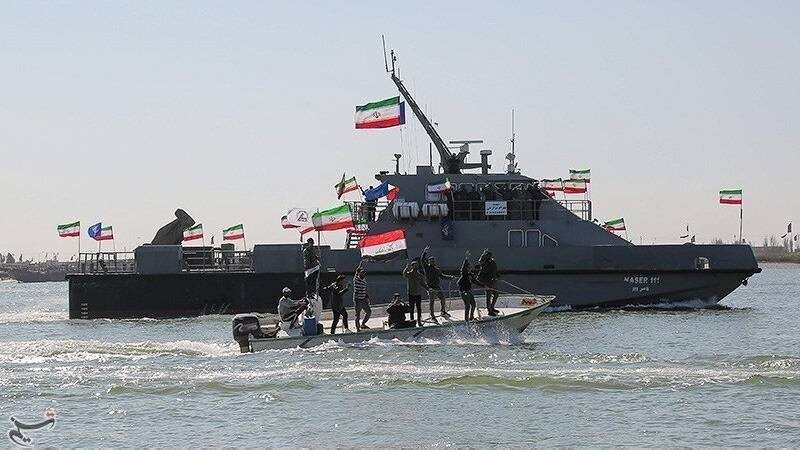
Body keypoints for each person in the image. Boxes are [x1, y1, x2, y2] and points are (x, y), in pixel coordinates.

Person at [420, 247, 453, 321]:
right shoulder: (427, 268)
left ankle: (443, 311)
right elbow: (422, 260)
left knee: (443, 298)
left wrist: (450, 277)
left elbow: (442, 276)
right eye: (431, 261)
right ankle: (432, 316)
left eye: (433, 261)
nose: (433, 262)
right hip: (431, 288)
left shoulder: (436, 269)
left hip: (437, 287)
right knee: (432, 302)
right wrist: (425, 252)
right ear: (429, 262)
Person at [402, 259, 428, 326]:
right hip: (411, 294)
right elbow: (404, 274)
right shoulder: (409, 274)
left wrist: (428, 289)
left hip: (418, 294)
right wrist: (406, 268)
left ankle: (419, 321)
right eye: (414, 265)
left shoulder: (420, 275)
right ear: (412, 266)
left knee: (419, 309)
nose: (416, 266)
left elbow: (422, 283)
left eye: (416, 265)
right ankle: (412, 322)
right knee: (412, 309)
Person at [476, 250, 500, 316]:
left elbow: (494, 270)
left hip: (493, 281)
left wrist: (497, 275)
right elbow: (481, 274)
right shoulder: (485, 264)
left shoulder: (492, 262)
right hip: (487, 283)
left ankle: (492, 307)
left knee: (496, 294)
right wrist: (481, 283)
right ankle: (489, 311)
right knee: (488, 297)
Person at [352, 264, 372, 331]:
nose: (363, 274)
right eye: (362, 273)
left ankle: (363, 324)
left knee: (369, 312)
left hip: (363, 299)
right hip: (358, 300)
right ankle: (358, 329)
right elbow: (356, 271)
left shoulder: (364, 280)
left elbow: (364, 290)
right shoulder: (356, 279)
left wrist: (367, 298)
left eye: (364, 272)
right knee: (357, 315)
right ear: (359, 273)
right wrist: (360, 264)